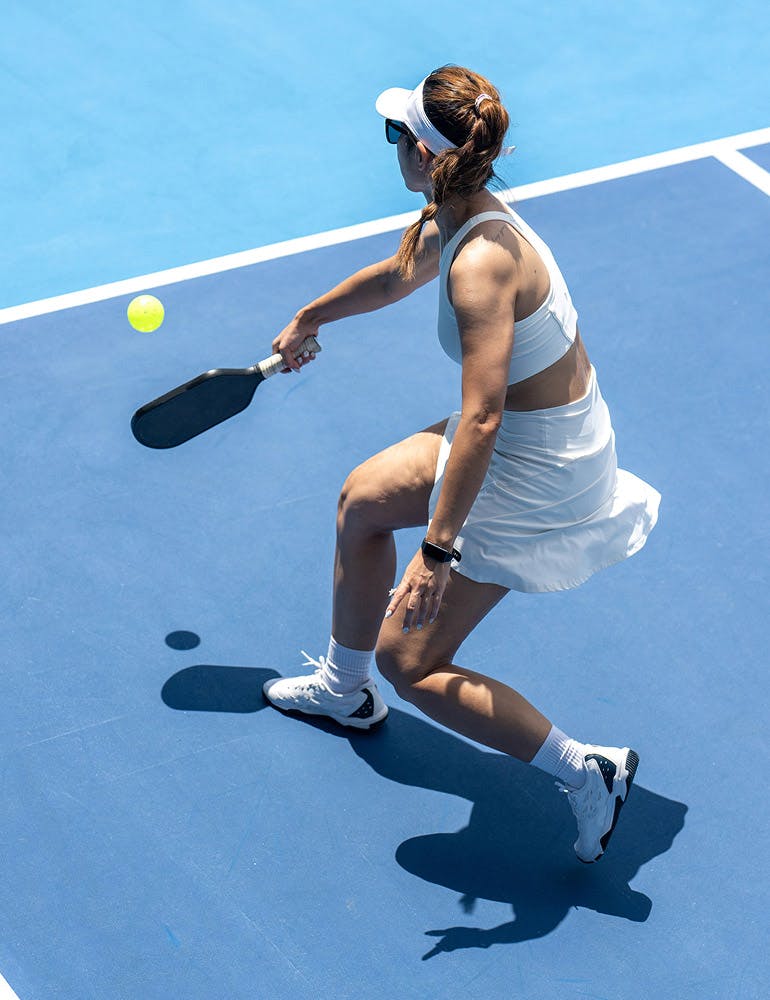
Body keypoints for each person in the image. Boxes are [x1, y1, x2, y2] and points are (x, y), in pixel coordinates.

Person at [263, 64, 660, 863]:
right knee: (362, 501)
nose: (389, 149)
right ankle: (344, 692)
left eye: (393, 135)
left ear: (421, 150)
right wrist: (312, 317)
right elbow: (398, 273)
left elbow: (480, 417)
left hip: (538, 464)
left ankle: (586, 770)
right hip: (536, 431)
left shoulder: (483, 265)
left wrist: (438, 552)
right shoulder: (461, 210)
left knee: (410, 661)